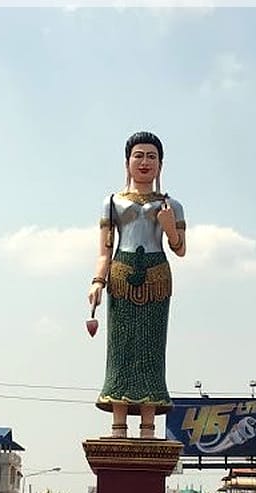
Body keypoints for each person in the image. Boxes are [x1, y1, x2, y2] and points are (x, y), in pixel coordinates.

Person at [87, 131, 187, 439]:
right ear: (127, 161)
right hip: (121, 274)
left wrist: (170, 228)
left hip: (157, 275)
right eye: (139, 156)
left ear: (161, 164)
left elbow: (180, 248)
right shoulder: (112, 202)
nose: (145, 162)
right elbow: (105, 249)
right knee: (121, 350)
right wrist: (97, 281)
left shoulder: (172, 204)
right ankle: (118, 425)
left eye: (151, 157)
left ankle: (147, 426)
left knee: (151, 351)